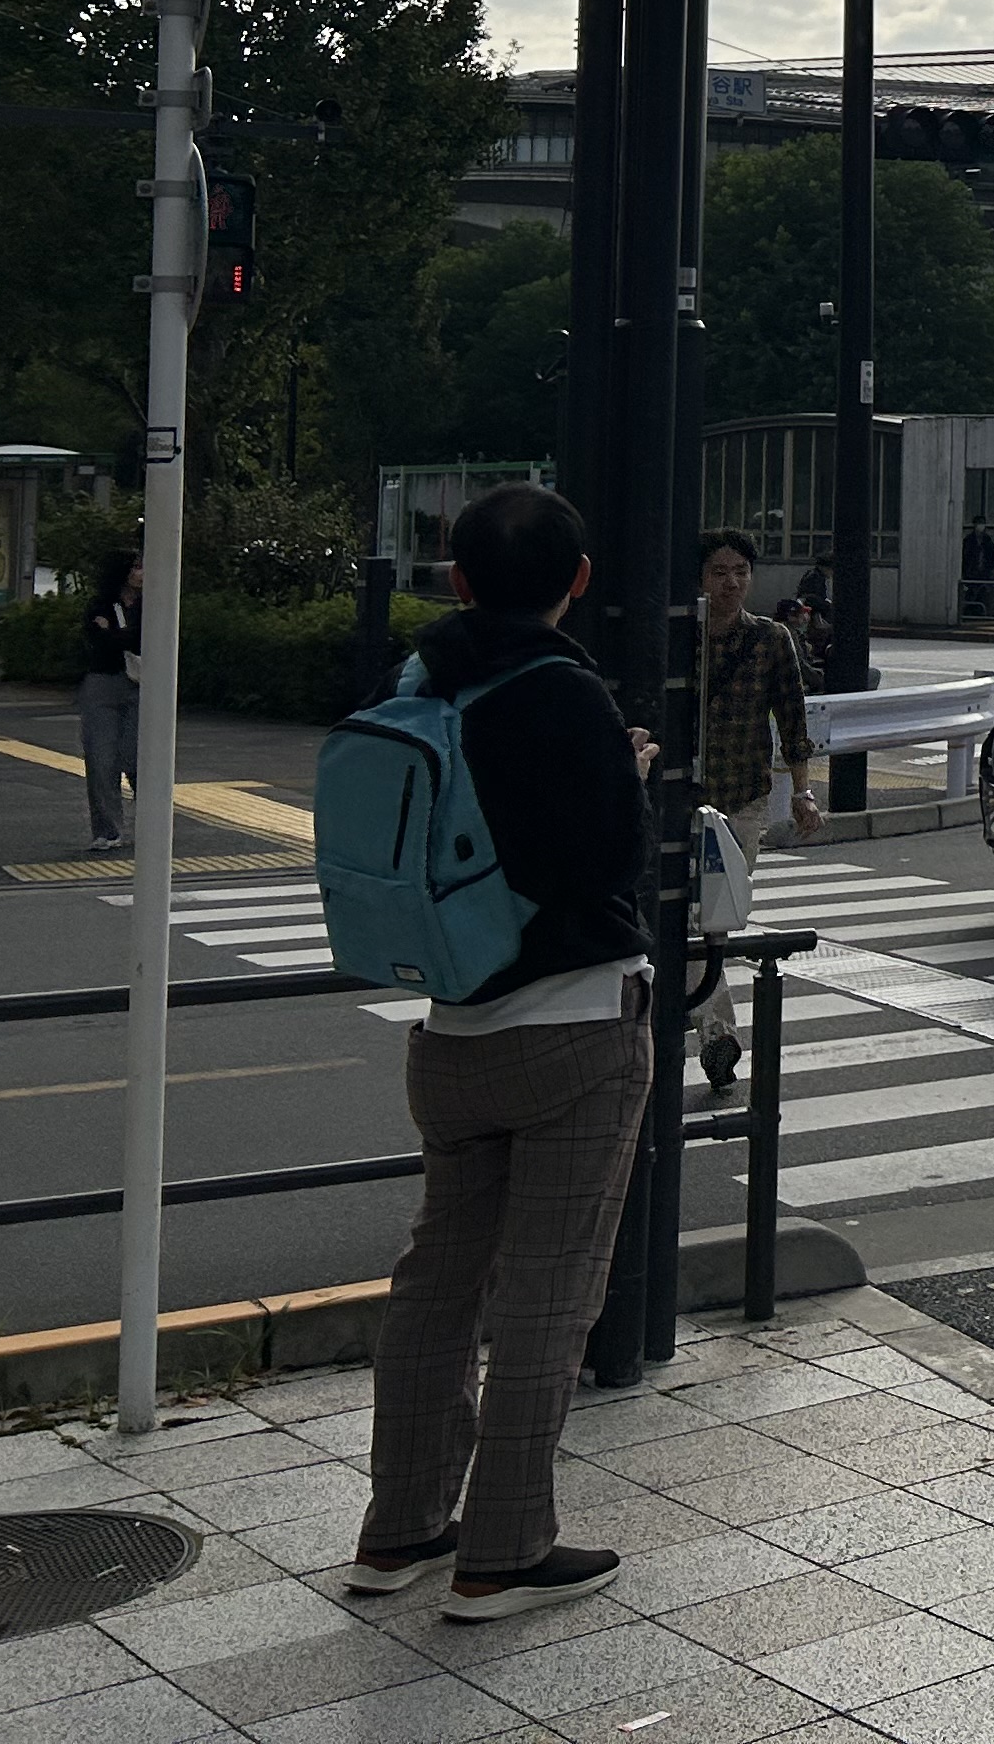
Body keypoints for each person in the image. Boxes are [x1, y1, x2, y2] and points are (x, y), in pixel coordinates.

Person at [347, 482, 654, 1621]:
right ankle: (504, 1551)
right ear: (576, 582)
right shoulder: (564, 692)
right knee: (546, 1298)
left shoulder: (415, 680)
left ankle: (401, 1530)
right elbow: (609, 863)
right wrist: (625, 761)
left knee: (435, 1283)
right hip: (570, 1024)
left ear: (457, 578)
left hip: (449, 1027)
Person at [690, 535, 819, 1089]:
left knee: (716, 917)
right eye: (719, 571)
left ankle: (692, 1013)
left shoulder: (771, 640)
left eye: (740, 571)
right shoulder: (678, 636)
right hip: (681, 801)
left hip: (742, 799)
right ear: (700, 577)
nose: (731, 582)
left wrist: (803, 792)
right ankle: (717, 1035)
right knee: (689, 920)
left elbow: (792, 719)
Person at [73, 552, 144, 855]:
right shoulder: (101, 604)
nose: (142, 573)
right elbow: (99, 640)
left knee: (139, 758)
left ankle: (152, 823)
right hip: (103, 684)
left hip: (142, 685)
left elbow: (141, 639)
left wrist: (114, 633)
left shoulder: (152, 602)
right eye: (137, 567)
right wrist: (121, 637)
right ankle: (107, 831)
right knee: (101, 760)